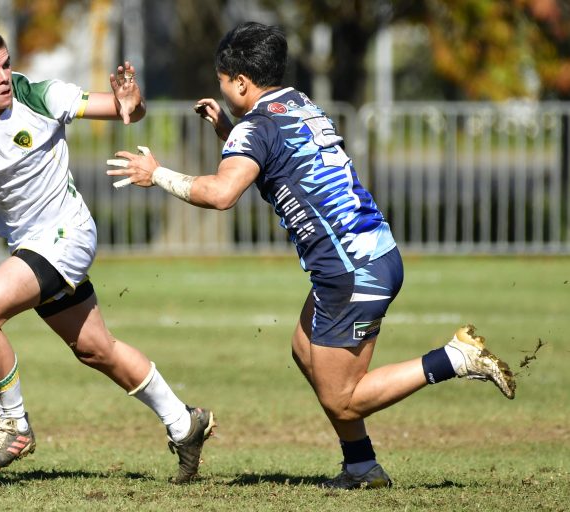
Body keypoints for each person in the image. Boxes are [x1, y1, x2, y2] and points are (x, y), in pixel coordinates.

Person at [107, 21, 516, 490]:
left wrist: (156, 173)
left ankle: (453, 358)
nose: (220, 87)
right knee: (305, 350)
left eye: (223, 80)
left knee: (343, 398)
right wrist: (227, 126)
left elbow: (221, 194)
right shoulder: (296, 104)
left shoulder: (255, 130)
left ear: (241, 82)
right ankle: (361, 466)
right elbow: (277, 161)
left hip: (351, 271)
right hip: (367, 254)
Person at [0, 25, 214, 484]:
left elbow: (123, 111)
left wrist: (130, 100)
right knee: (96, 349)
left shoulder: (40, 96)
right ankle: (185, 422)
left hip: (67, 233)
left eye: (6, 64)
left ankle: (14, 425)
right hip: (31, 246)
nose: (3, 76)